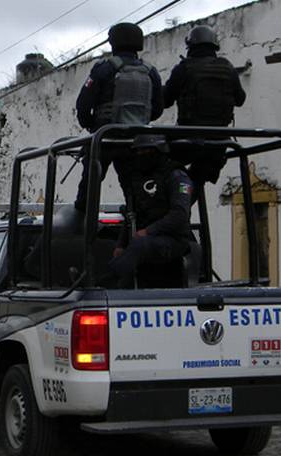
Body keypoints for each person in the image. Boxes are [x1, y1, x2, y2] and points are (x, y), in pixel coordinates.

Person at [74, 22, 164, 212]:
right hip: (137, 141)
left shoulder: (104, 69)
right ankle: (136, 223)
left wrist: (93, 127)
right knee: (136, 191)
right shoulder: (151, 72)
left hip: (105, 139)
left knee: (89, 189)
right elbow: (157, 109)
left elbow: (83, 105)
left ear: (113, 42)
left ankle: (81, 227)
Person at [102, 135, 193, 289]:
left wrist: (149, 231)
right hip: (148, 240)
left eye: (146, 151)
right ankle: (110, 286)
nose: (141, 156)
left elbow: (180, 216)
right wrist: (121, 245)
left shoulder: (176, 176)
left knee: (139, 244)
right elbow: (132, 214)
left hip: (173, 239)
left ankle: (101, 283)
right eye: (138, 152)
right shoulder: (139, 179)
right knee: (127, 250)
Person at [163, 25, 246, 191]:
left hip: (188, 141)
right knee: (197, 180)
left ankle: (172, 208)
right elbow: (240, 99)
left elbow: (165, 100)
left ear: (190, 46)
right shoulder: (228, 68)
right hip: (218, 143)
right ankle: (182, 204)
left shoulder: (184, 68)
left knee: (155, 155)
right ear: (215, 46)